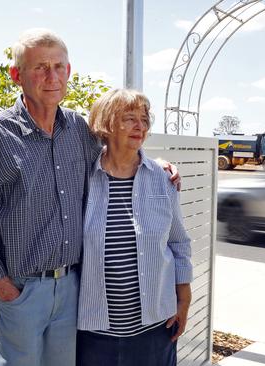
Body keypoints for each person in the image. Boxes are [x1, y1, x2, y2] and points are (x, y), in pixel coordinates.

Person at [0, 29, 179, 365]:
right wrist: (5, 288)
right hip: (22, 289)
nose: (52, 76)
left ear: (69, 72)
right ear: (17, 75)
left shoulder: (79, 130)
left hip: (74, 287)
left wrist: (156, 164)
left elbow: (117, 156)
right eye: (40, 67)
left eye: (59, 66)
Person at [76, 89, 193, 366]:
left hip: (155, 327)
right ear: (106, 123)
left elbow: (178, 243)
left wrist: (184, 299)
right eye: (129, 118)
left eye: (144, 119)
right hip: (94, 331)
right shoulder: (83, 179)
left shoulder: (162, 179)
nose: (140, 126)